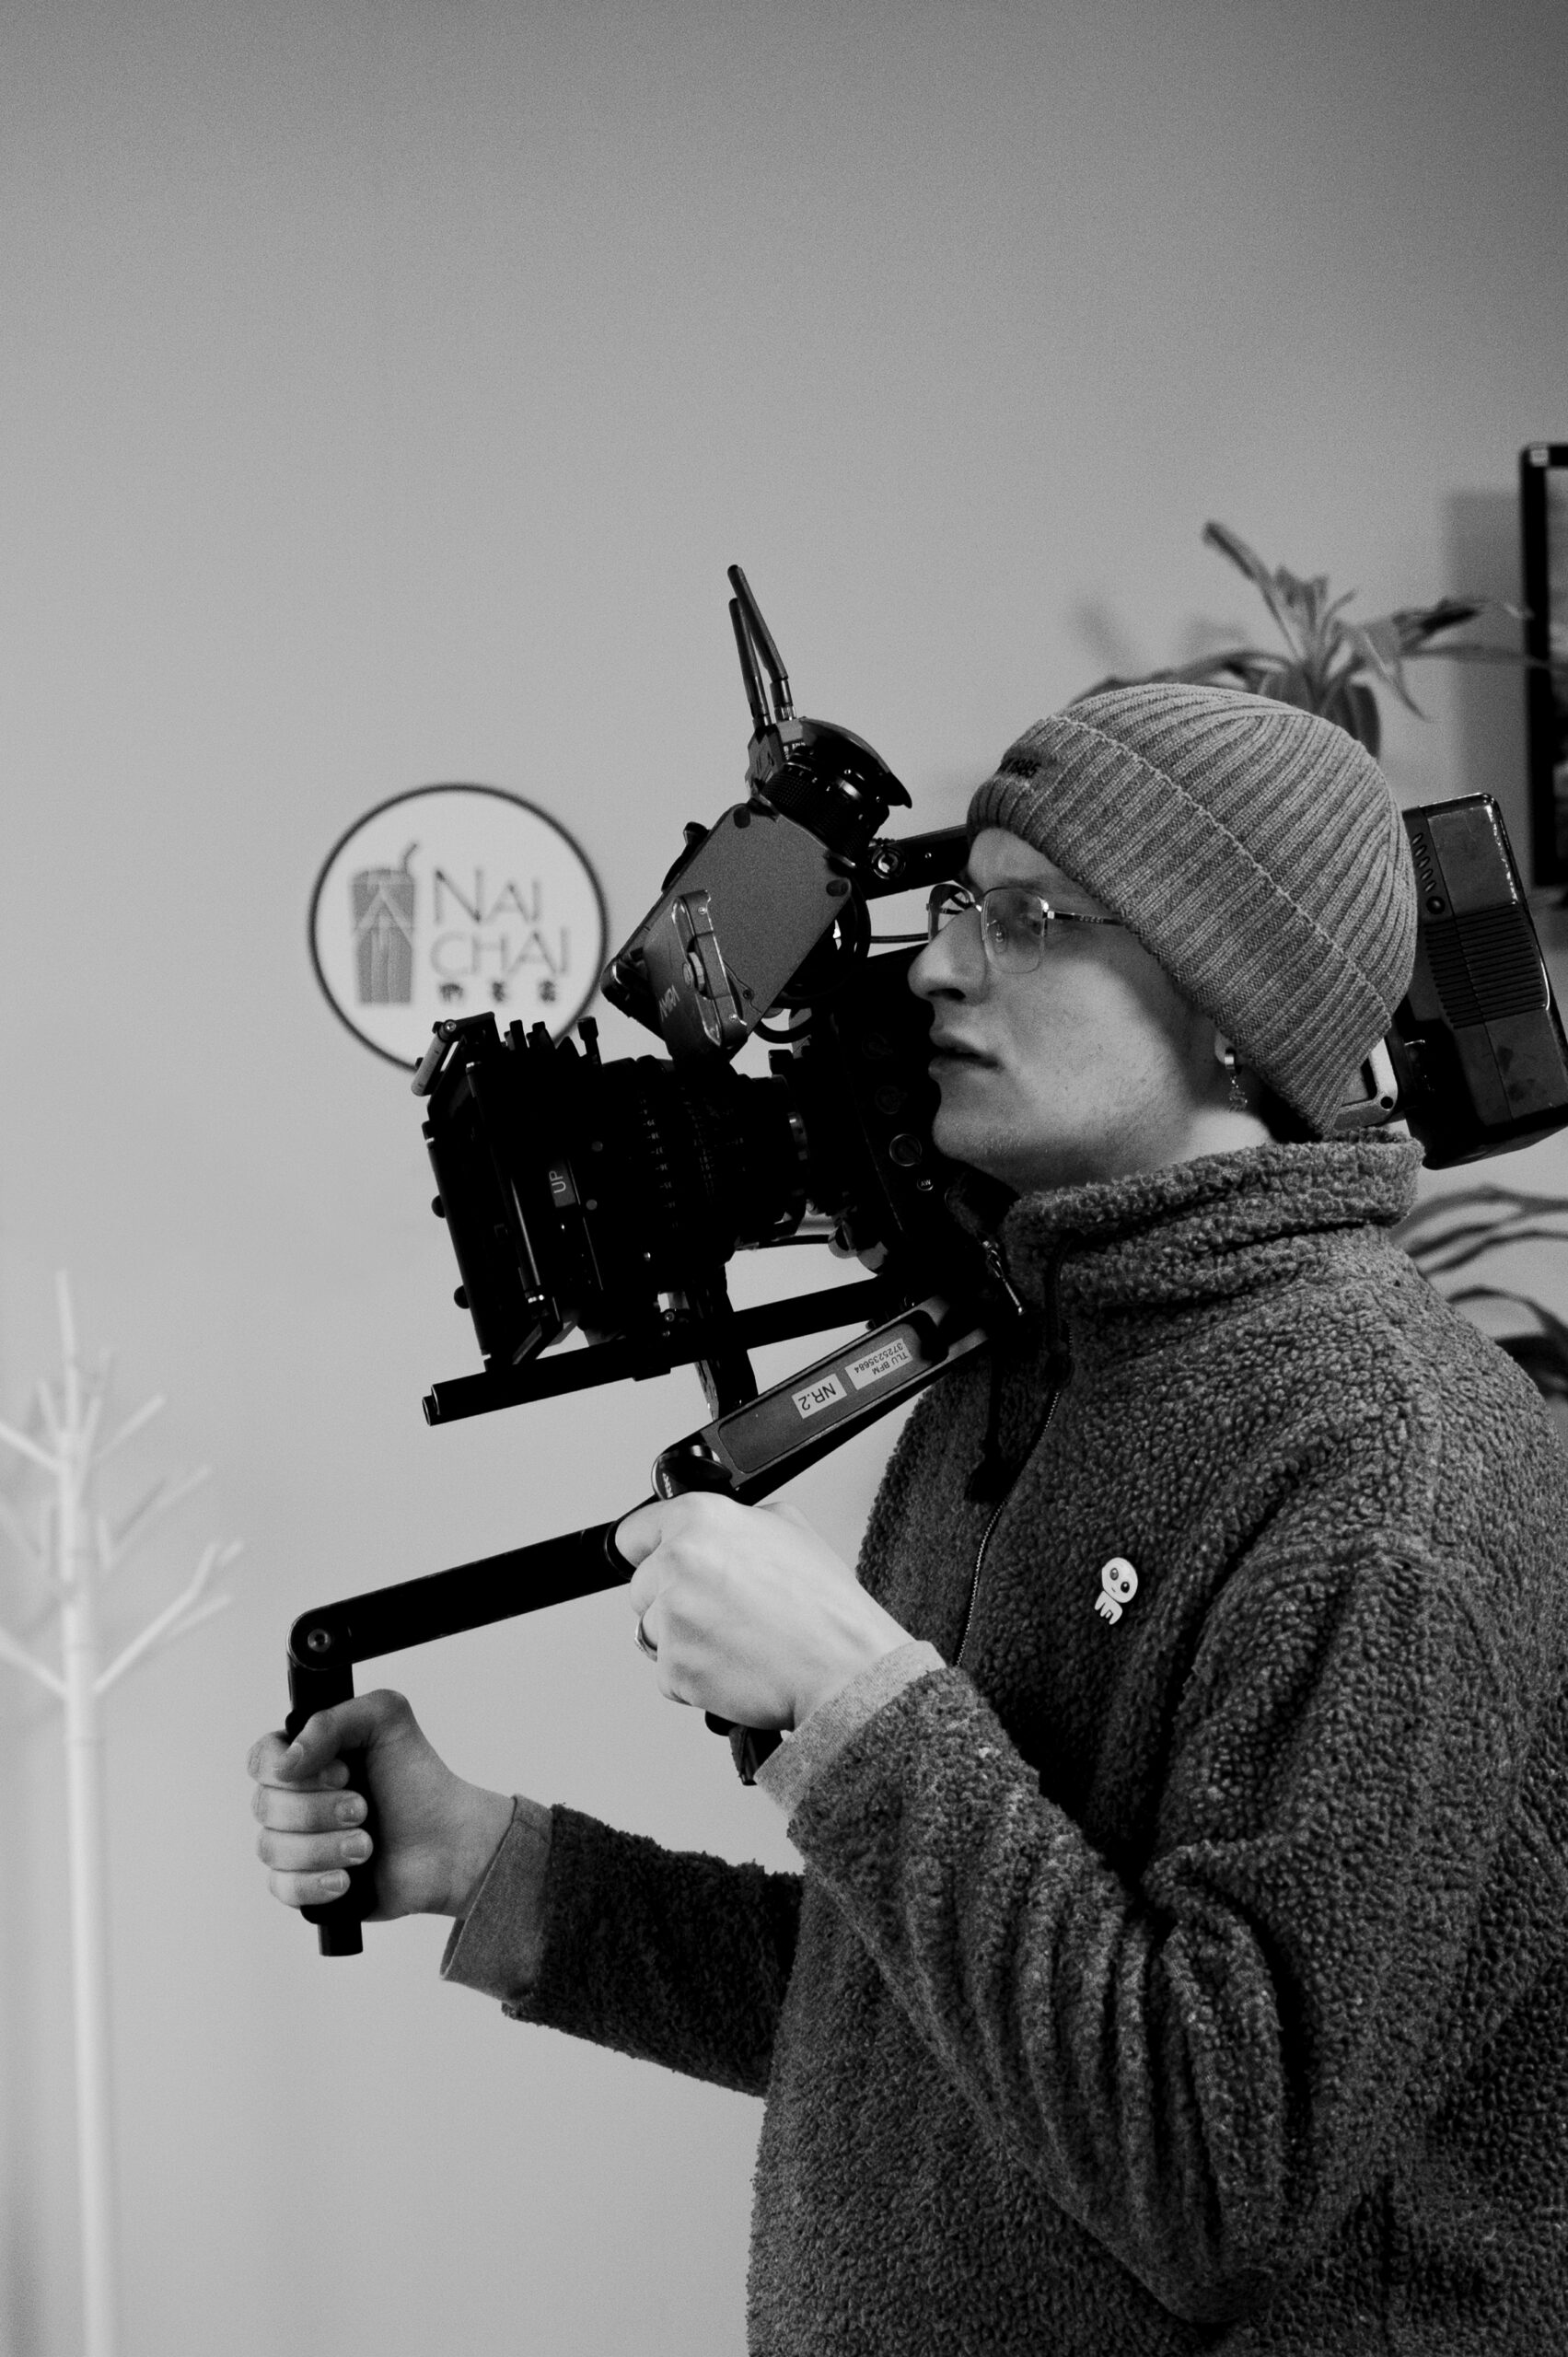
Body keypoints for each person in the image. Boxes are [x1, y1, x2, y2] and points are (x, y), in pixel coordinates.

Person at [250, 682, 1568, 2352]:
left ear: (1232, 1000)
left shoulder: (1390, 1464)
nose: (937, 966)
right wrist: (492, 1866)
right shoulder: (1006, 1379)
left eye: (1026, 918)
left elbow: (1220, 2167)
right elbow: (915, 2022)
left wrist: (858, 1706)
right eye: (956, 905)